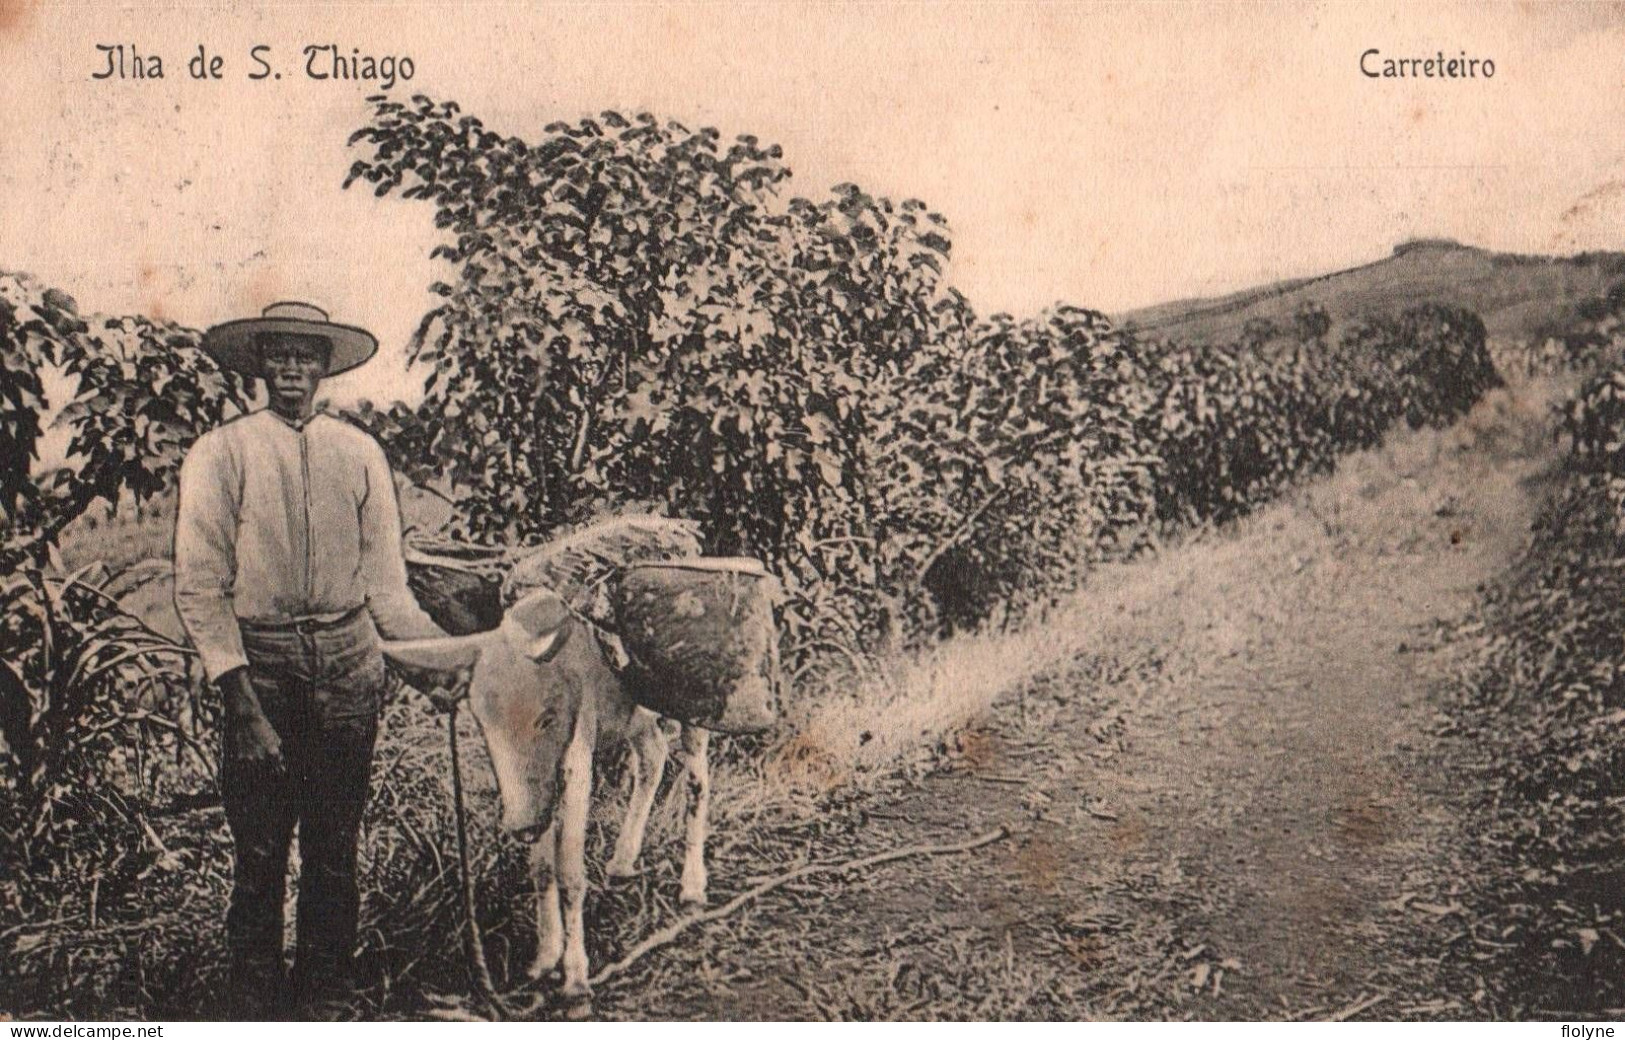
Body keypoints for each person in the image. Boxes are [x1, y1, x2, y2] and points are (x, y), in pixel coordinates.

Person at [173, 301, 448, 1019]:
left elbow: (386, 586)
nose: (293, 369)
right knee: (260, 851)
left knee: (335, 844)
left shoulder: (358, 452)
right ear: (260, 365)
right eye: (280, 355)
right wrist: (239, 700)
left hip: (349, 661)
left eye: (307, 356)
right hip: (260, 663)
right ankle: (254, 1001)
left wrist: (434, 666)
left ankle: (327, 994)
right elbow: (200, 585)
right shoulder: (222, 452)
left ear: (326, 367)